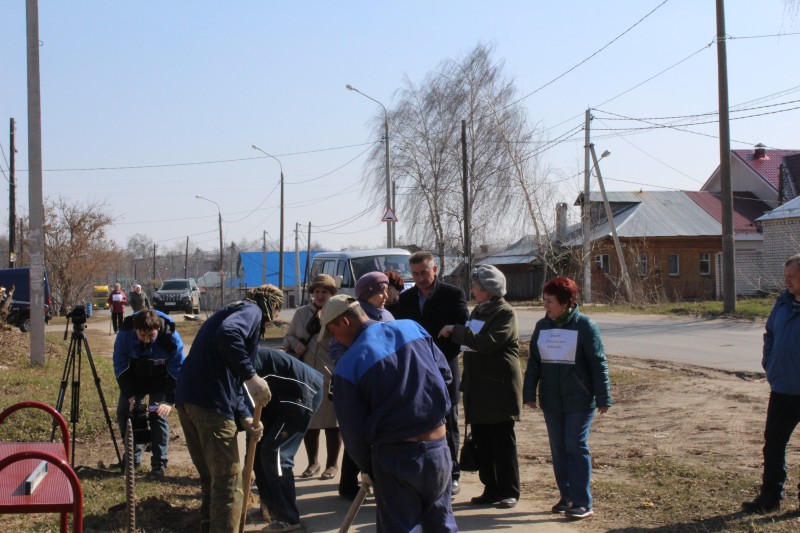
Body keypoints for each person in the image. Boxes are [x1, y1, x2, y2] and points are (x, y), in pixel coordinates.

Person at [320, 295, 457, 532]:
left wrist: (368, 468)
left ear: (344, 322)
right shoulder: (412, 328)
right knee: (441, 524)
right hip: (438, 449)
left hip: (395, 457)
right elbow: (445, 376)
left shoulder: (349, 364)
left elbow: (352, 430)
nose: (335, 340)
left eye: (332, 332)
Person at [175, 284, 283, 533]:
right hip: (210, 402)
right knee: (229, 482)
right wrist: (252, 377)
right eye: (276, 311)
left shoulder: (229, 310)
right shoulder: (252, 311)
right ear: (273, 307)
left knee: (213, 478)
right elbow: (228, 334)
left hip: (189, 399)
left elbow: (227, 375)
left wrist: (245, 415)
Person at [522, 277, 612, 520]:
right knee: (559, 449)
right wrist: (529, 392)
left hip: (579, 400)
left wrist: (603, 396)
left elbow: (598, 363)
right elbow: (535, 362)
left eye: (550, 301)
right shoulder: (543, 326)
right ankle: (567, 496)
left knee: (575, 444)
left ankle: (583, 502)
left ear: (565, 302)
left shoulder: (585, 326)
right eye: (545, 301)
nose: (545, 306)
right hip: (551, 400)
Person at [439, 264, 523, 509]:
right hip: (477, 387)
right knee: (483, 441)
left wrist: (457, 331)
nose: (473, 290)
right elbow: (471, 345)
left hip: (499, 388)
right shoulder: (478, 311)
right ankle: (491, 488)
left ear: (489, 289)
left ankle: (509, 491)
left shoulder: (505, 313)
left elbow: (488, 343)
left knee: (502, 441)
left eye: (476, 286)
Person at [388, 250, 469, 495]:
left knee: (449, 420)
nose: (421, 278)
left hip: (446, 367)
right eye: (415, 274)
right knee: (420, 420)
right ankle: (425, 471)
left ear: (435, 269)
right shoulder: (407, 299)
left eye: (424, 272)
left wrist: (441, 354)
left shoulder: (453, 295)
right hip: (415, 371)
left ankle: (452, 473)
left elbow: (462, 328)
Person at [742, 254, 800, 514]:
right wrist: (770, 364)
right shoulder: (782, 303)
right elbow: (771, 334)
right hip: (782, 390)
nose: (787, 281)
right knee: (773, 444)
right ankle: (771, 496)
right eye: (785, 276)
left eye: (792, 276)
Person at [247, 347, 323, 533]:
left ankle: (288, 518)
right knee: (255, 448)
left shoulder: (237, 360)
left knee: (275, 453)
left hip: (301, 392)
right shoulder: (224, 362)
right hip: (277, 397)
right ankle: (271, 508)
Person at [333, 272, 394, 500]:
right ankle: (349, 484)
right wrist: (353, 369)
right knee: (358, 433)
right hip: (362, 384)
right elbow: (337, 349)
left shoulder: (386, 315)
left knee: (377, 434)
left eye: (387, 290)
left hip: (385, 384)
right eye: (381, 291)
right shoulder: (355, 316)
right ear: (368, 293)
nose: (386, 295)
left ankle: (377, 480)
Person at [113, 309, 185, 476]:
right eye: (142, 335)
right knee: (126, 412)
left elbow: (177, 369)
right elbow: (120, 365)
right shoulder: (125, 335)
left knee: (157, 414)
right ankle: (132, 457)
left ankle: (159, 463)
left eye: (151, 336)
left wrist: (168, 401)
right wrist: (130, 394)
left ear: (158, 329)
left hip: (160, 380)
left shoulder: (171, 338)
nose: (146, 339)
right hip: (134, 378)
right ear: (135, 330)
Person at [283, 274, 341, 480]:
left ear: (332, 294)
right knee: (309, 421)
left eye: (324, 291)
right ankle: (312, 463)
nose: (319, 295)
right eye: (316, 291)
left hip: (331, 374)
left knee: (333, 423)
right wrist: (295, 344)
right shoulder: (301, 314)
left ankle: (332, 465)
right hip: (305, 374)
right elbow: (288, 336)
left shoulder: (339, 314)